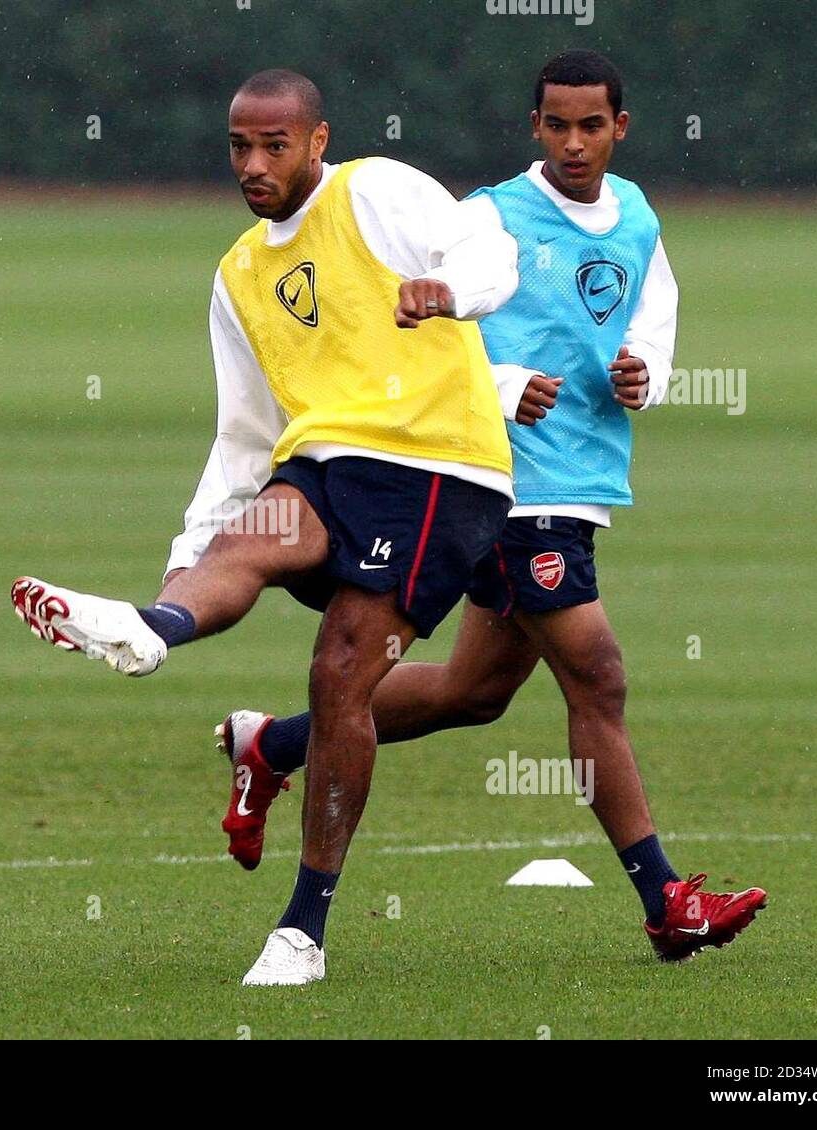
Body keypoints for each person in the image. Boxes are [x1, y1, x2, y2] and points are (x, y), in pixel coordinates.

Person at [215, 50, 767, 964]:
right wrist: (504, 381)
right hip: (504, 480)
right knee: (598, 674)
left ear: (620, 128)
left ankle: (275, 745)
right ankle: (666, 899)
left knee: (477, 693)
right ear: (534, 126)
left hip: (584, 476)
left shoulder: (636, 216)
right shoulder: (486, 214)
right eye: (557, 124)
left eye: (592, 126)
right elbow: (436, 319)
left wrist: (649, 372)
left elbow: (651, 312)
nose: (575, 142)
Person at [13, 68, 521, 984]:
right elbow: (242, 434)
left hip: (436, 465)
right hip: (324, 460)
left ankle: (303, 933)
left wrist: (452, 292)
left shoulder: (376, 190)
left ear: (317, 142)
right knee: (247, 541)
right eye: (239, 146)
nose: (253, 163)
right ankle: (152, 628)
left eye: (272, 145)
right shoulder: (240, 271)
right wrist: (184, 562)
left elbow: (487, 245)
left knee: (340, 674)